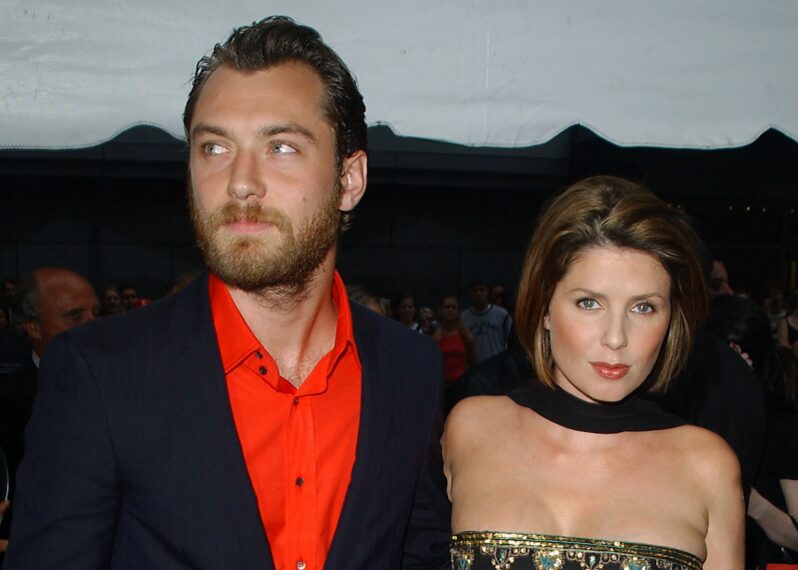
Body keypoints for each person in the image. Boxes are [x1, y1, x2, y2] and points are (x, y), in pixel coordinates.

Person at [5, 17, 449, 570]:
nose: (240, 182)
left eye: (281, 147)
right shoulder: (101, 373)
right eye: (214, 147)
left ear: (349, 180)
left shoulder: (410, 370)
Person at [444, 176, 743, 569]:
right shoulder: (472, 429)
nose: (616, 338)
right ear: (544, 307)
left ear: (672, 318)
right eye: (589, 303)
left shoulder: (706, 465)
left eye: (644, 308)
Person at [0, 267, 98, 562]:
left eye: (96, 313)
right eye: (75, 316)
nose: (93, 324)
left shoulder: (133, 391)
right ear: (33, 327)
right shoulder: (7, 403)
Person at [461, 279, 512, 362]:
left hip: (498, 363)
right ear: (470, 293)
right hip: (475, 365)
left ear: (488, 292)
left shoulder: (502, 314)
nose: (478, 293)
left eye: (482, 290)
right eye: (475, 290)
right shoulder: (463, 317)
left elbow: (511, 340)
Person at [432, 295, 476, 387]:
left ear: (458, 311)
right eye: (447, 307)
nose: (450, 310)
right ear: (441, 310)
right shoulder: (436, 336)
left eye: (453, 307)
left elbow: (472, 361)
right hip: (442, 384)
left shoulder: (464, 334)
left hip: (461, 383)